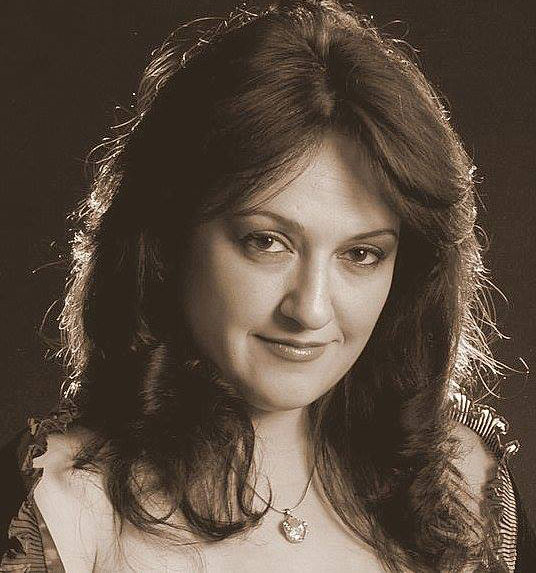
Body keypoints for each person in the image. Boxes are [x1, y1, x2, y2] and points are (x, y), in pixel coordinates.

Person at [1, 1, 534, 571]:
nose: (311, 309)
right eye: (267, 242)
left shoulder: (465, 485)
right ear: (169, 238)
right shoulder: (61, 504)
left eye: (361, 254)